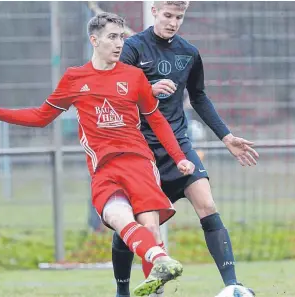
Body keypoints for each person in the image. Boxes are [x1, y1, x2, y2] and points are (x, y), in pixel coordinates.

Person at [0, 12, 196, 297]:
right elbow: (41, 116)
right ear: (94, 40)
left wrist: (179, 158)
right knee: (118, 218)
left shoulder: (134, 76)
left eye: (122, 38)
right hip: (103, 169)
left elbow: (156, 120)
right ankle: (160, 261)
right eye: (112, 37)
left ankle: (156, 279)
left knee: (149, 227)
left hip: (138, 162)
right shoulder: (75, 79)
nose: (119, 44)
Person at [111, 2, 259, 297]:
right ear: (154, 11)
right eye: (168, 15)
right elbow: (116, 90)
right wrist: (148, 89)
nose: (173, 22)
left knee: (207, 204)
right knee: (132, 224)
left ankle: (232, 284)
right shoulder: (133, 48)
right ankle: (123, 291)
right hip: (141, 151)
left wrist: (226, 136)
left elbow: (200, 97)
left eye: (179, 17)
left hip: (178, 145)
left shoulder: (189, 53)